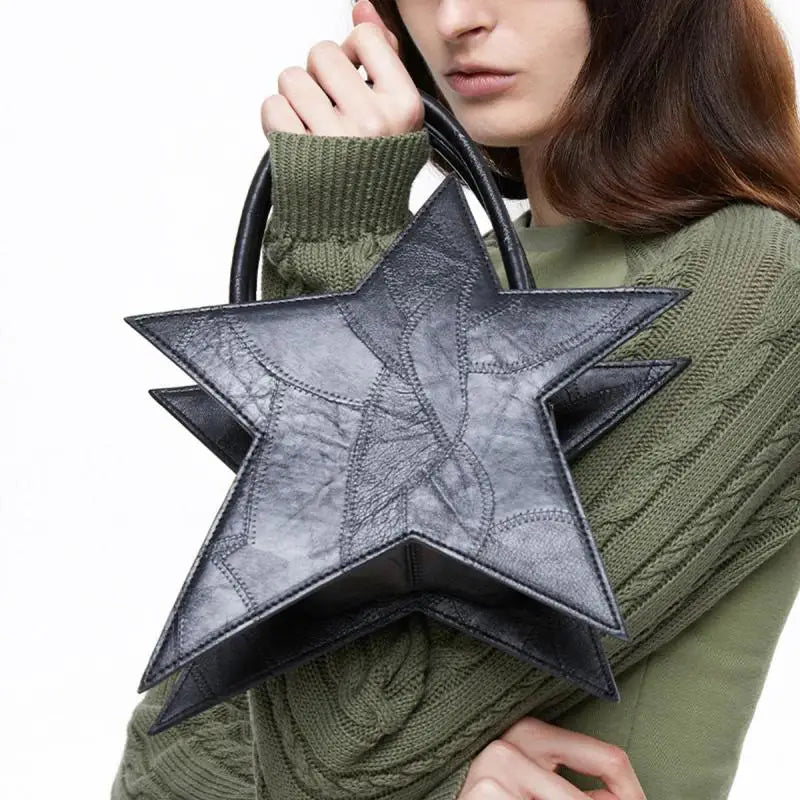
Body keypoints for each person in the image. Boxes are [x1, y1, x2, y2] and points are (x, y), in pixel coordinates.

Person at [111, 0, 800, 798]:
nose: (456, 18)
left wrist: (338, 240)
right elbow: (168, 760)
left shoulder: (757, 281)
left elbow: (340, 754)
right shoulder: (454, 286)